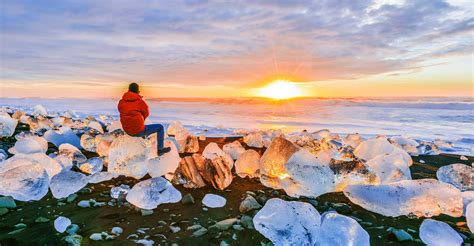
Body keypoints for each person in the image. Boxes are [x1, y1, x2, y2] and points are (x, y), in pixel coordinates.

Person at [118, 83, 171, 156]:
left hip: (127, 130)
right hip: (137, 131)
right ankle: (160, 149)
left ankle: (144, 136)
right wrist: (141, 120)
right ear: (137, 91)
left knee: (141, 127)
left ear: (128, 90)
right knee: (160, 127)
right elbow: (146, 113)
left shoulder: (121, 102)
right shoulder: (140, 102)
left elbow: (122, 112)